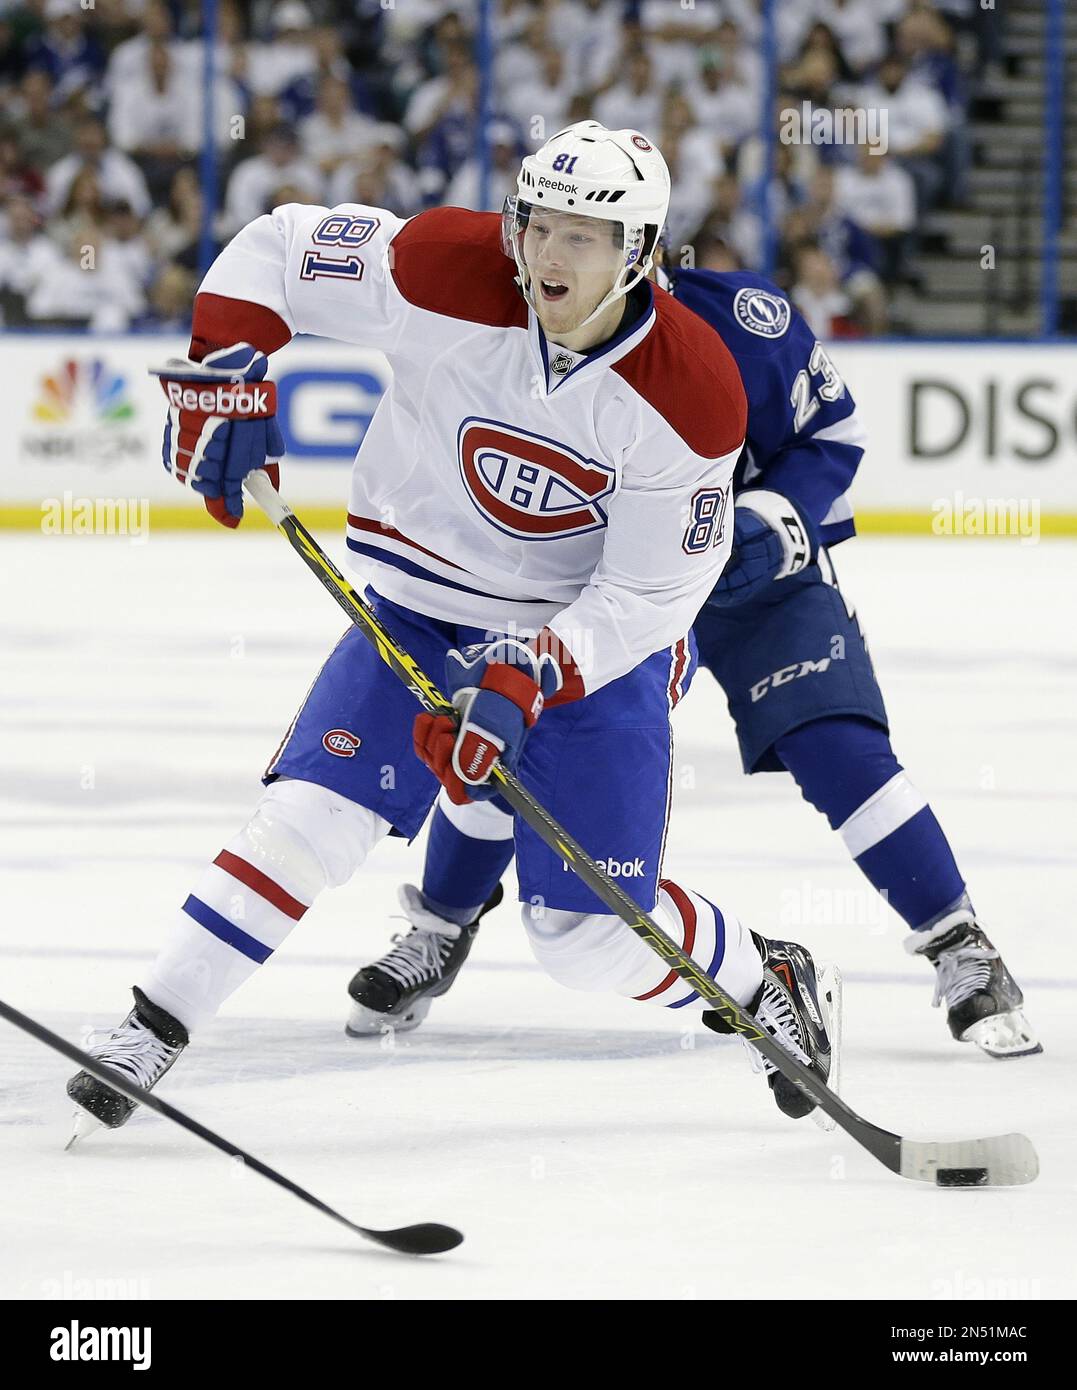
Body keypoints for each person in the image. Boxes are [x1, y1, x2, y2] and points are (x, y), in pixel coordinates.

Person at [66, 121, 838, 1140]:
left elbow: (653, 597)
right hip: (422, 605)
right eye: (537, 224)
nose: (546, 256)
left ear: (640, 253)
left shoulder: (690, 390)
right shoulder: (441, 263)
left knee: (581, 939)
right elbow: (279, 250)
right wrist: (229, 362)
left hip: (590, 650)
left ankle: (758, 969)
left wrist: (531, 672)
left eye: (583, 236)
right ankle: (151, 1026)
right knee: (310, 816)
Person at [346, 246, 1040, 1063]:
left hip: (756, 585)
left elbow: (831, 432)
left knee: (838, 750)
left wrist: (780, 515)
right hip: (614, 596)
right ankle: (441, 924)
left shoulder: (744, 320)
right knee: (515, 735)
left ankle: (957, 939)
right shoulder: (526, 327)